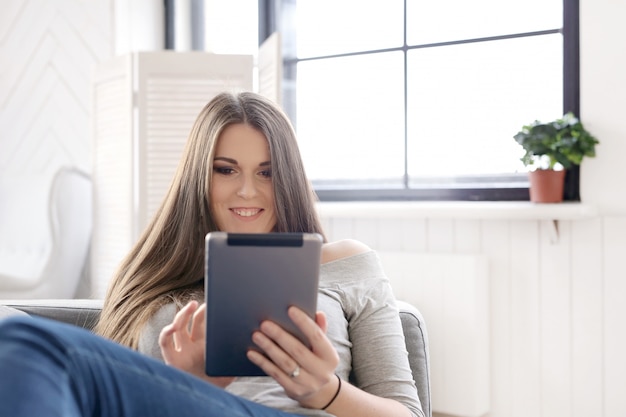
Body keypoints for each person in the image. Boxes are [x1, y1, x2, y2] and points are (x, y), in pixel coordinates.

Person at [0, 91, 423, 417]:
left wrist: (326, 392)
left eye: (267, 173)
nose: (246, 190)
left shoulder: (345, 262)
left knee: (28, 342)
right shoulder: (147, 277)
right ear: (198, 177)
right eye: (226, 170)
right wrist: (183, 385)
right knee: (22, 344)